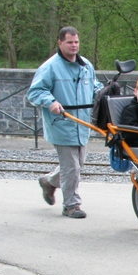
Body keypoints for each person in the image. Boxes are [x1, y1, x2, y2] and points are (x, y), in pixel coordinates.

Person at [27, 26, 103, 219]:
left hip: (82, 124)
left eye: (76, 42)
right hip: (61, 124)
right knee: (72, 168)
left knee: (77, 165)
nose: (74, 45)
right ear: (60, 43)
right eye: (69, 42)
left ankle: (49, 182)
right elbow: (35, 92)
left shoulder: (86, 65)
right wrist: (50, 102)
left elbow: (95, 86)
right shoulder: (49, 67)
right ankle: (71, 205)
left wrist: (104, 92)